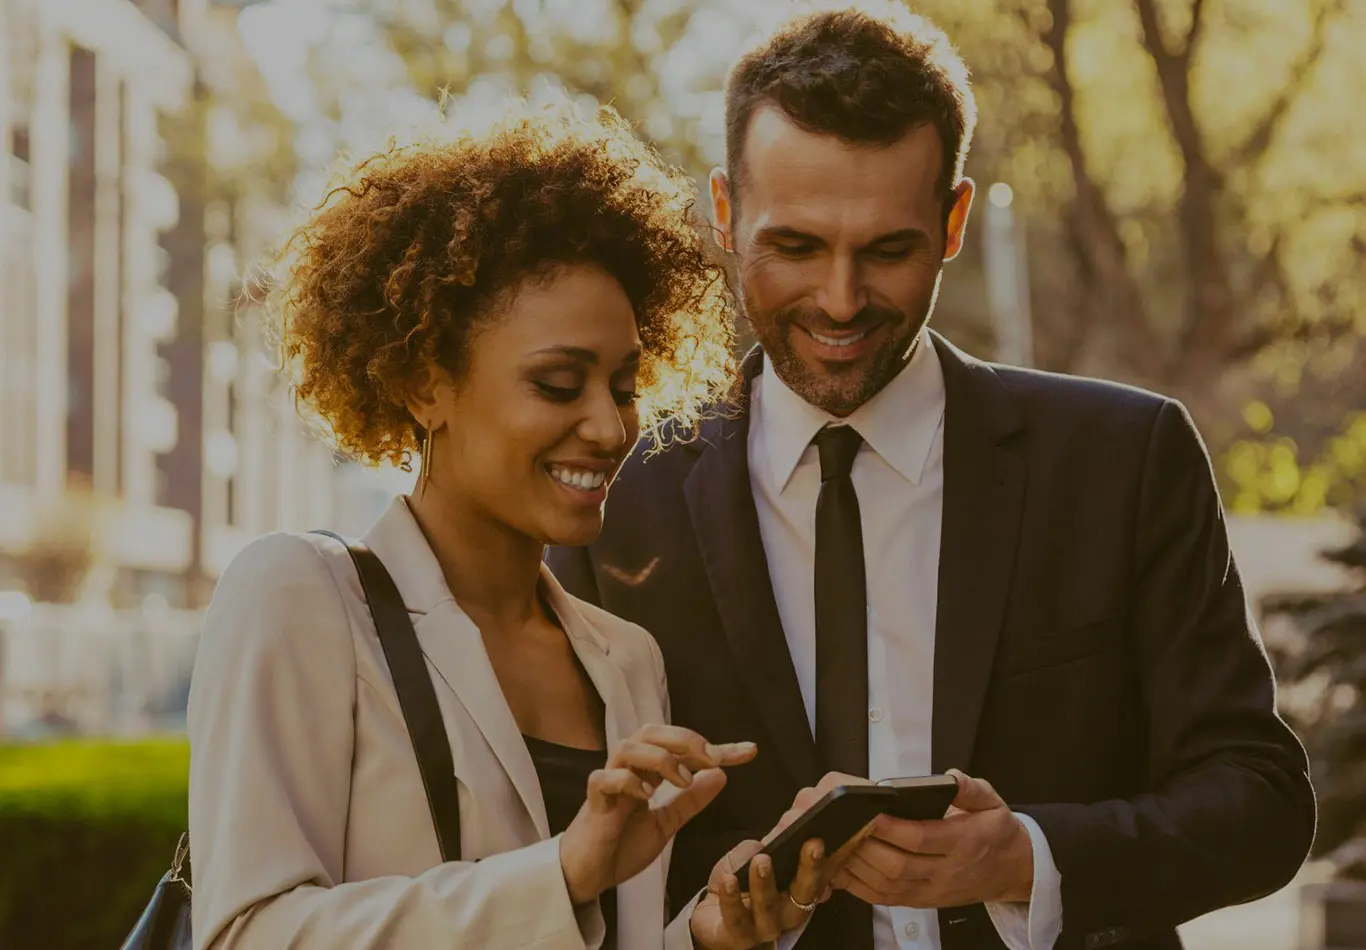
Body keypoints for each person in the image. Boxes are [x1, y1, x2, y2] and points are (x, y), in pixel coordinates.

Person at [546, 4, 1318, 950]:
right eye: (794, 246)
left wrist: (1027, 856)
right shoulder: (619, 494)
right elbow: (560, 851)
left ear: (952, 222)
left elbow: (1260, 800)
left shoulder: (1126, 458)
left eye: (887, 249)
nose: (838, 300)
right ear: (724, 213)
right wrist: (705, 930)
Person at [186, 100, 839, 950]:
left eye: (624, 385)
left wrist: (706, 938)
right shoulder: (300, 600)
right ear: (425, 382)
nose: (609, 428)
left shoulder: (626, 662)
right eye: (560, 386)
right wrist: (563, 873)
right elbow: (248, 934)